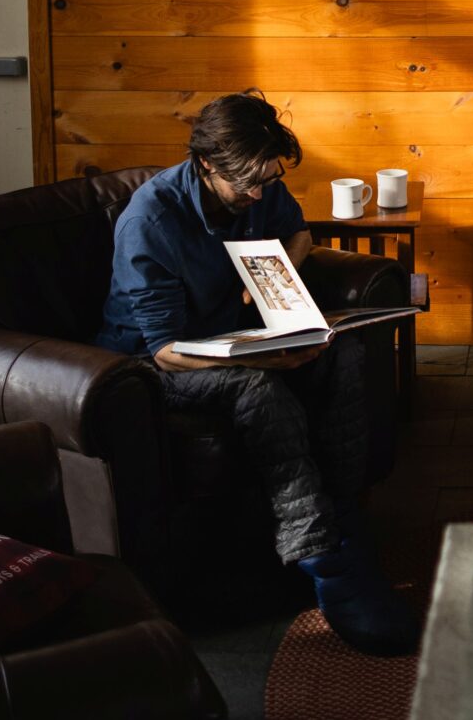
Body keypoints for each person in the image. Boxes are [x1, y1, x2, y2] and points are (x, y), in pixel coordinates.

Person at [96, 91, 418, 655]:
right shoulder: (150, 221)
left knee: (340, 352)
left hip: (232, 334)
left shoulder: (259, 183)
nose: (258, 194)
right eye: (246, 184)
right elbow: (166, 348)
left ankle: (345, 520)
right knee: (259, 390)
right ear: (205, 164)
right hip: (153, 362)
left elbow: (299, 231)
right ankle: (329, 567)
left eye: (268, 179)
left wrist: (276, 271)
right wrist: (262, 358)